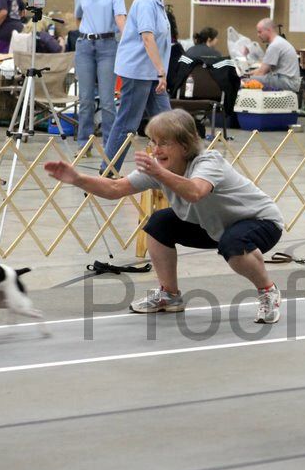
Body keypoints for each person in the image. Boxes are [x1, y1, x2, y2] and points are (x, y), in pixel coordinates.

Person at [45, 109, 285, 322]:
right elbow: (115, 189)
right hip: (213, 225)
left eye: (164, 143)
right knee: (159, 224)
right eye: (152, 142)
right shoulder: (158, 168)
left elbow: (195, 192)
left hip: (259, 222)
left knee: (234, 243)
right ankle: (169, 296)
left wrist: (158, 172)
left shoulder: (209, 161)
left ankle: (268, 292)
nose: (155, 150)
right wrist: (77, 179)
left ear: (185, 145)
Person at [101, 0, 180, 175]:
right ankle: (108, 171)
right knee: (127, 123)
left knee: (168, 123)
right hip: (139, 72)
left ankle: (173, 170)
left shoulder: (157, 1)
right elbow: (147, 38)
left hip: (151, 73)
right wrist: (160, 71)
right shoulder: (146, 1)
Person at [74, 0, 127, 156]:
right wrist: (88, 32)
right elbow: (78, 17)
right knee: (85, 99)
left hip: (108, 46)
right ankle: (83, 144)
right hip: (85, 46)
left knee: (107, 100)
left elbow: (120, 16)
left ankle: (109, 144)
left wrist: (128, 37)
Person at [249, 18, 300, 92]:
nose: (258, 35)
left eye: (260, 32)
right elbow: (264, 69)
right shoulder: (279, 41)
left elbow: (261, 73)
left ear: (268, 30)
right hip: (289, 81)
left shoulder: (274, 45)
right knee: (251, 78)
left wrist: (245, 77)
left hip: (287, 82)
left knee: (246, 80)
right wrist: (249, 73)